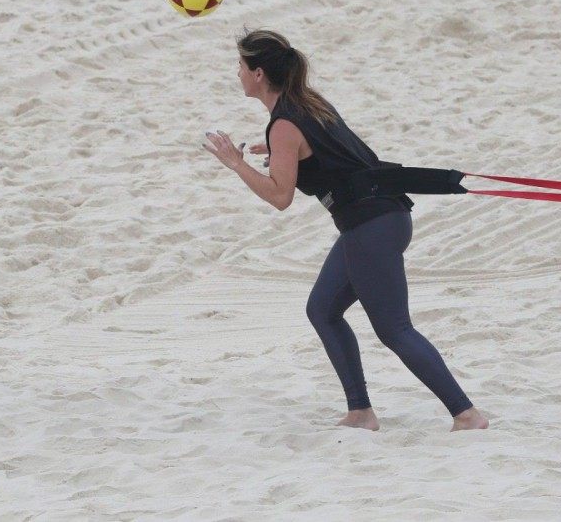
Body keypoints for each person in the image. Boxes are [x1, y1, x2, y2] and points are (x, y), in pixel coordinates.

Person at [205, 29, 487, 431]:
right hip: (382, 220)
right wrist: (282, 153)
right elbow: (335, 152)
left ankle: (467, 414)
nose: (237, 72)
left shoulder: (284, 124)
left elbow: (279, 197)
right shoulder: (306, 103)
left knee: (394, 329)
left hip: (370, 227)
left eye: (240, 66)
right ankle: (360, 412)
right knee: (322, 309)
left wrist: (237, 163)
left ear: (259, 74)